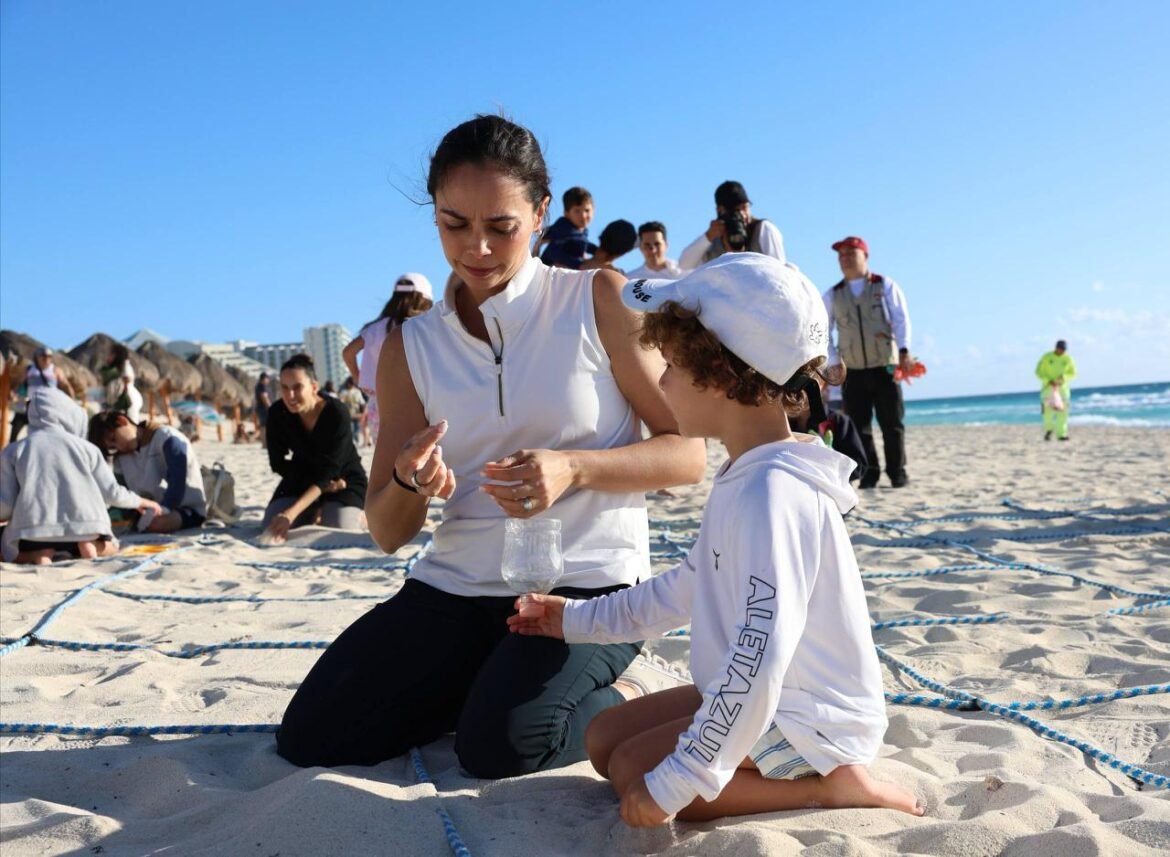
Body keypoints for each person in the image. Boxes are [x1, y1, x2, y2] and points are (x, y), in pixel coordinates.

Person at [275, 114, 707, 777]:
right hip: (456, 586)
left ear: (539, 216)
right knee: (312, 734)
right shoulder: (408, 346)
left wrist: (575, 467)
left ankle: (623, 693)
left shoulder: (597, 299)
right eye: (454, 224)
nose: (476, 247)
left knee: (500, 745)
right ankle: (490, 682)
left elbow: (688, 455)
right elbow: (388, 532)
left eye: (501, 227)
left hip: (586, 588)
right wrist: (411, 480)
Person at [508, 254, 922, 826]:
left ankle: (832, 788)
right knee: (603, 741)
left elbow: (759, 652)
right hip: (769, 697)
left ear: (724, 375)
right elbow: (688, 586)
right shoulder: (746, 473)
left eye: (673, 364)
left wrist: (683, 778)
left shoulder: (773, 493)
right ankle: (784, 771)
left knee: (635, 777)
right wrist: (573, 620)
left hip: (811, 720)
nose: (662, 380)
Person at [1, 387, 161, 563]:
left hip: (33, 534)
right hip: (87, 528)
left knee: (8, 544)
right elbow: (112, 492)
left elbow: (6, 505)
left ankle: (37, 555)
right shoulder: (88, 449)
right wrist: (141, 502)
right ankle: (93, 547)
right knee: (112, 547)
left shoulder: (15, 450)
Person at [822, 236, 915, 488]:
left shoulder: (885, 286)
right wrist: (833, 362)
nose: (845, 258)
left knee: (892, 424)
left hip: (885, 366)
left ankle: (897, 472)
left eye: (851, 253)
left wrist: (904, 350)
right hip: (852, 370)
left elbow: (900, 319)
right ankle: (869, 474)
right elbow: (824, 331)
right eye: (841, 255)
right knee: (860, 426)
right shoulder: (832, 295)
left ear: (865, 256)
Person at [261, 354, 368, 542]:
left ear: (314, 387)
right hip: (303, 477)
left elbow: (331, 470)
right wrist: (310, 486)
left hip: (342, 478)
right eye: (284, 388)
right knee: (271, 524)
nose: (290, 395)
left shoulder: (336, 412)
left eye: (297, 387)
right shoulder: (277, 412)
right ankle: (313, 509)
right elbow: (277, 463)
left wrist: (290, 513)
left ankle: (366, 515)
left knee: (339, 525)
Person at [342, 273, 435, 444]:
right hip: (415, 398)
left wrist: (358, 377)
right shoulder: (421, 326)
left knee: (387, 453)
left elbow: (348, 352)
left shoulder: (376, 328)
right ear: (423, 300)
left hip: (379, 400)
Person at [88, 411, 208, 532]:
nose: (118, 447)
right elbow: (121, 489)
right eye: (112, 447)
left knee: (156, 524)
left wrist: (162, 509)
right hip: (145, 510)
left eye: (114, 438)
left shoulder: (167, 437)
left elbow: (177, 483)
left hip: (183, 507)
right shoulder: (121, 457)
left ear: (122, 421)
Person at [678, 181, 786, 269]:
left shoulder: (763, 229)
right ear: (721, 211)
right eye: (737, 210)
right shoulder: (714, 240)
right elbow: (684, 266)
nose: (743, 215)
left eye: (745, 208)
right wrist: (708, 237)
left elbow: (778, 271)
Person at [9, 346, 75, 442]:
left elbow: (66, 386)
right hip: (30, 404)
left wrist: (71, 401)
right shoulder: (29, 369)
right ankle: (11, 452)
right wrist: (13, 392)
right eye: (43, 356)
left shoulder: (56, 371)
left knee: (46, 433)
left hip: (49, 406)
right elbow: (18, 382)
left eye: (49, 356)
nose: (46, 358)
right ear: (37, 357)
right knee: (16, 428)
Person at [537, 186, 598, 269]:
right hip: (551, 264)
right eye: (577, 211)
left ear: (594, 211)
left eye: (587, 210)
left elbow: (582, 244)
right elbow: (553, 248)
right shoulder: (563, 226)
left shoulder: (583, 232)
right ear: (567, 213)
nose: (583, 216)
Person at [1035, 339, 1077, 441]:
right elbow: (1038, 371)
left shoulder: (1068, 359)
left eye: (1064, 349)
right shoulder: (1046, 357)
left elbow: (1073, 373)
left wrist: (1064, 378)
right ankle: (1048, 430)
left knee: (1063, 412)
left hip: (1062, 389)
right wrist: (1047, 380)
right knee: (1046, 411)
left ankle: (1061, 434)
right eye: (1060, 348)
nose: (1062, 351)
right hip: (1047, 388)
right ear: (1056, 347)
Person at [100, 343, 143, 423]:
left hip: (127, 404)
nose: (108, 356)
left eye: (111, 354)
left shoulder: (125, 367)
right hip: (117, 406)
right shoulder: (112, 370)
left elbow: (127, 379)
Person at [338, 376, 365, 444]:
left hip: (350, 413)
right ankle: (354, 439)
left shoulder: (344, 392)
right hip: (354, 412)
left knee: (354, 427)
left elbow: (340, 402)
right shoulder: (356, 392)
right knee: (354, 427)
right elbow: (362, 402)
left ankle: (354, 439)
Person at [254, 372, 273, 448]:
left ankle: (265, 444)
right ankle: (265, 444)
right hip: (264, 409)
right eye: (267, 378)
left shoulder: (259, 386)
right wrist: (270, 408)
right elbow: (264, 397)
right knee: (265, 426)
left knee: (264, 426)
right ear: (264, 379)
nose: (268, 380)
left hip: (262, 409)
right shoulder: (262, 386)